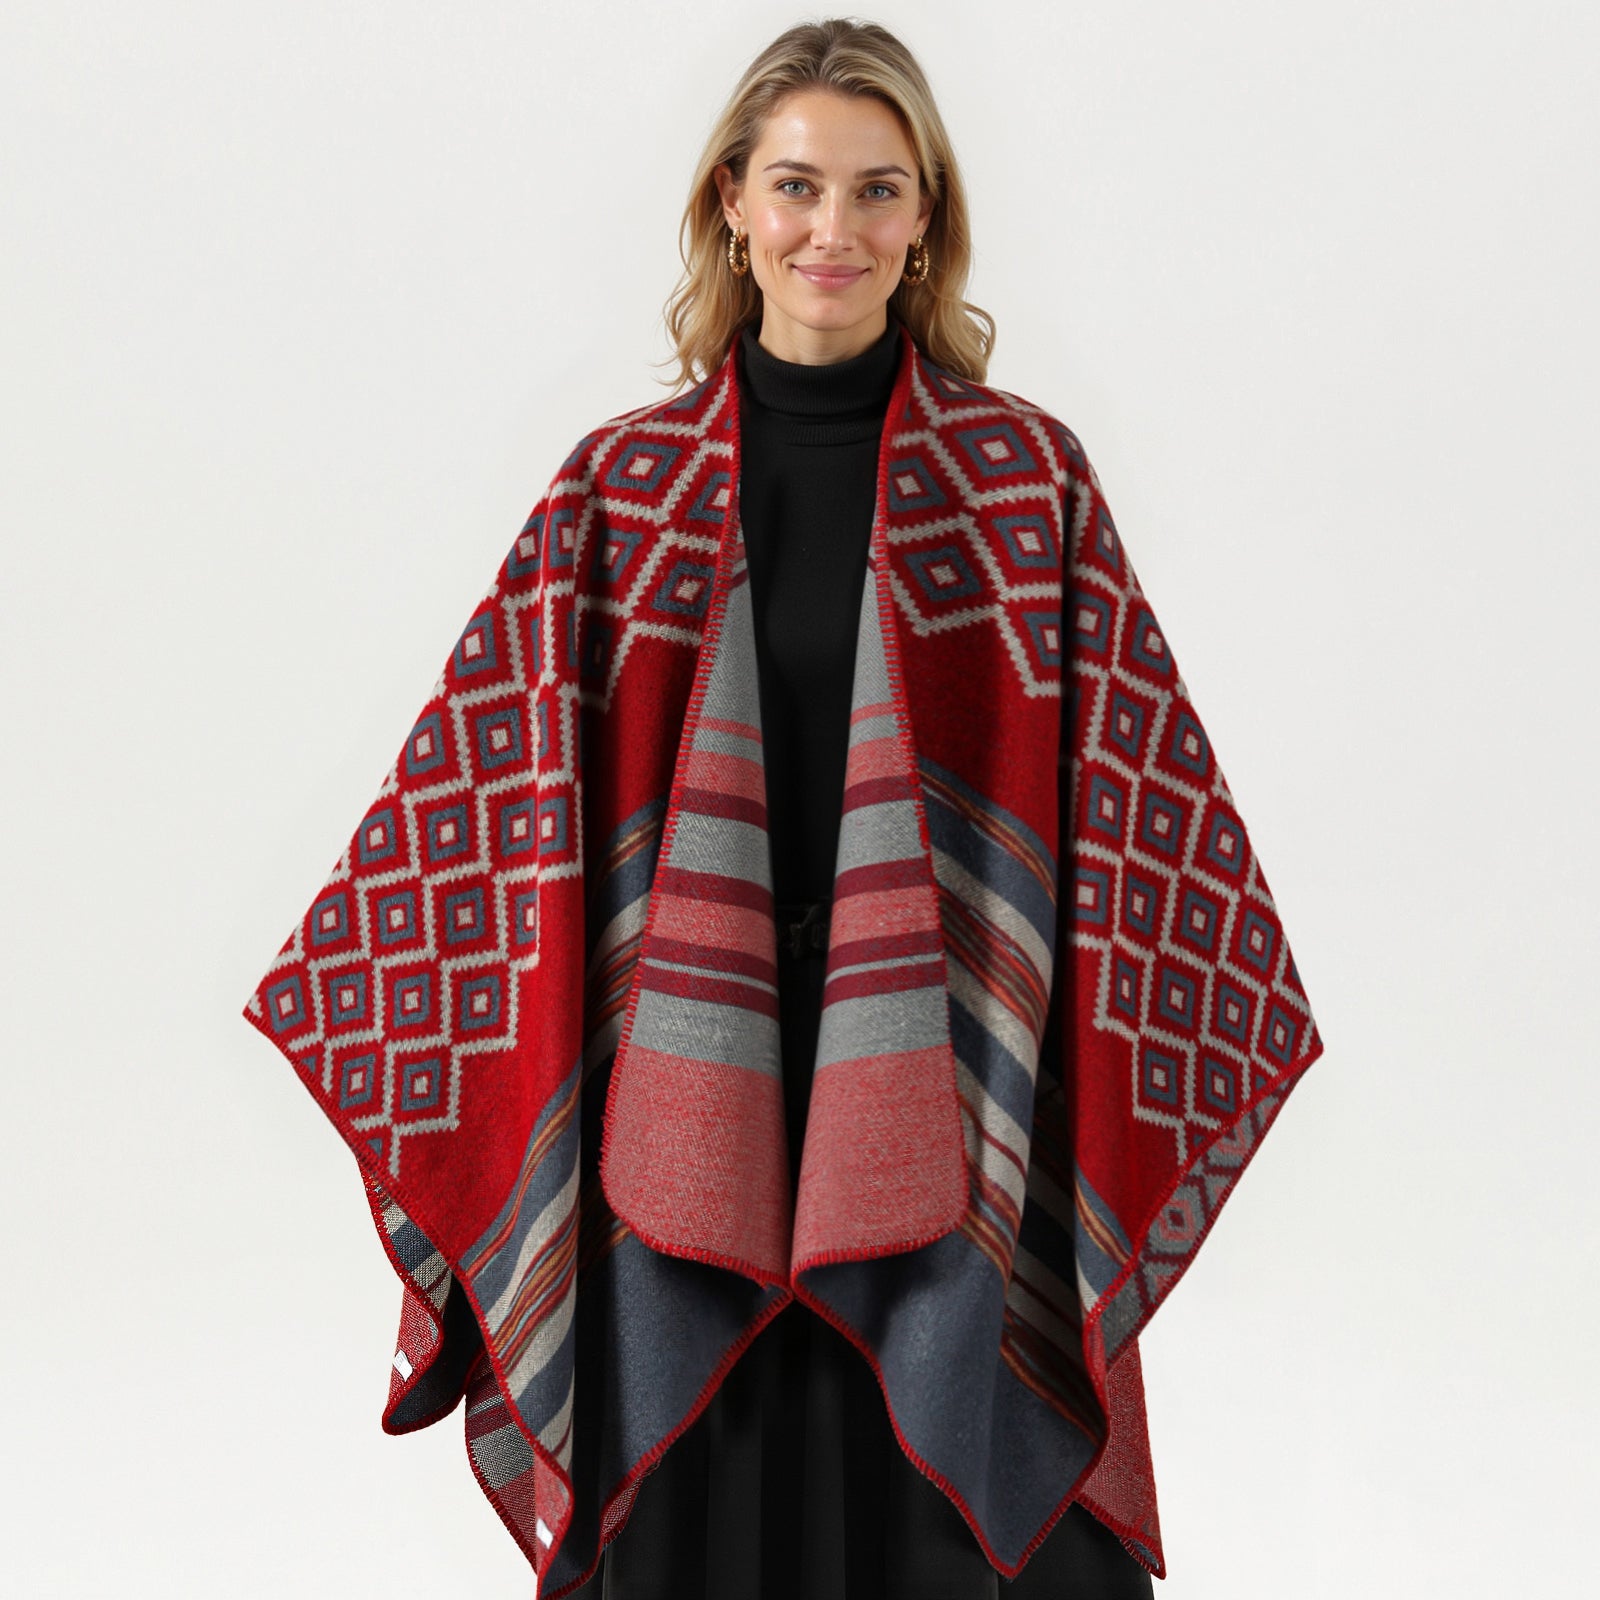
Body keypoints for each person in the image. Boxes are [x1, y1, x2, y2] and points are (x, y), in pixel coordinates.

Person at [244, 15, 1323, 1600]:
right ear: (733, 207)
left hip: (954, 1091)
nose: (836, 230)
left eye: (880, 191)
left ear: (926, 220)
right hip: (688, 1101)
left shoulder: (1024, 488)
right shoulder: (622, 494)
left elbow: (1126, 825)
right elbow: (487, 811)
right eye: (799, 186)